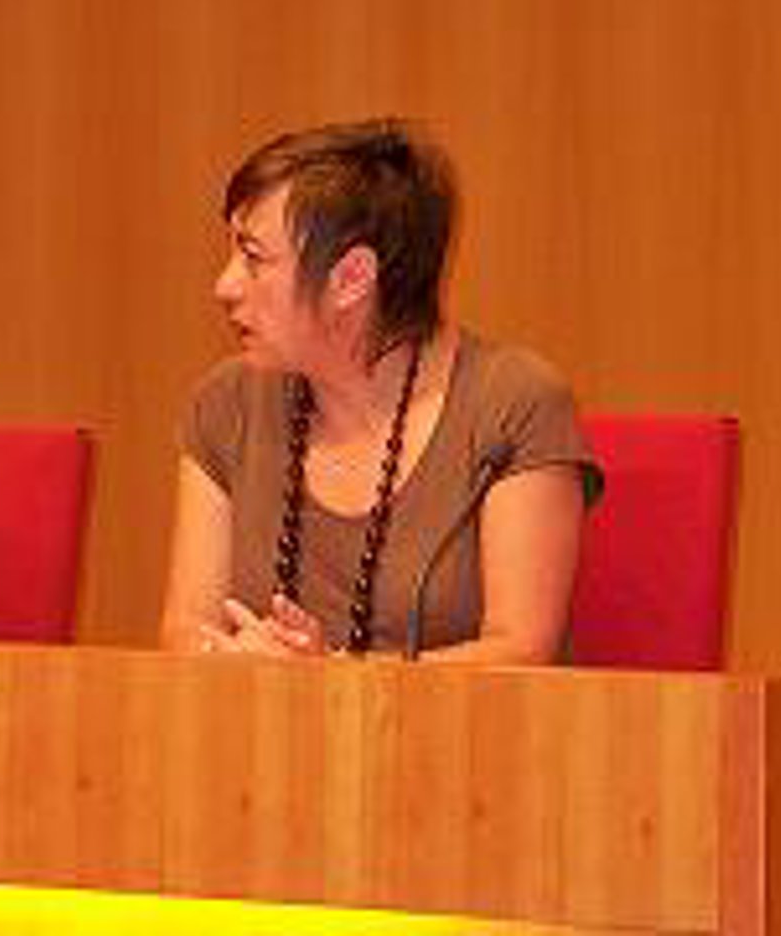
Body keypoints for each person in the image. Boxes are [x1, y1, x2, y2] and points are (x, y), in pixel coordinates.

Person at [160, 118, 599, 662]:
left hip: (458, 722)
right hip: (260, 720)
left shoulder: (513, 403)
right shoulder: (226, 403)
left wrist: (335, 681)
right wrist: (232, 658)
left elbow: (521, 651)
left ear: (351, 278)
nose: (224, 286)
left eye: (253, 258)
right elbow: (186, 629)